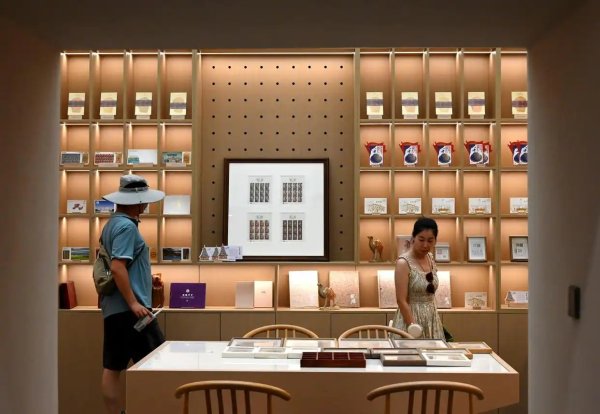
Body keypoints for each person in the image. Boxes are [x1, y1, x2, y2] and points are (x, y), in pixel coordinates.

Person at [99, 174, 165, 414]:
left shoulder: (112, 224)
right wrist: (134, 303)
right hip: (131, 311)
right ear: (137, 201)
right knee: (157, 361)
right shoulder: (127, 227)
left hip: (115, 308)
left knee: (113, 366)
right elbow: (118, 267)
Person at [392, 217, 444, 339]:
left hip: (431, 319)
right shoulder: (403, 263)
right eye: (421, 239)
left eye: (430, 240)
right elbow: (401, 300)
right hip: (410, 321)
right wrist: (413, 326)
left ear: (435, 241)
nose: (425, 245)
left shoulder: (430, 258)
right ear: (413, 238)